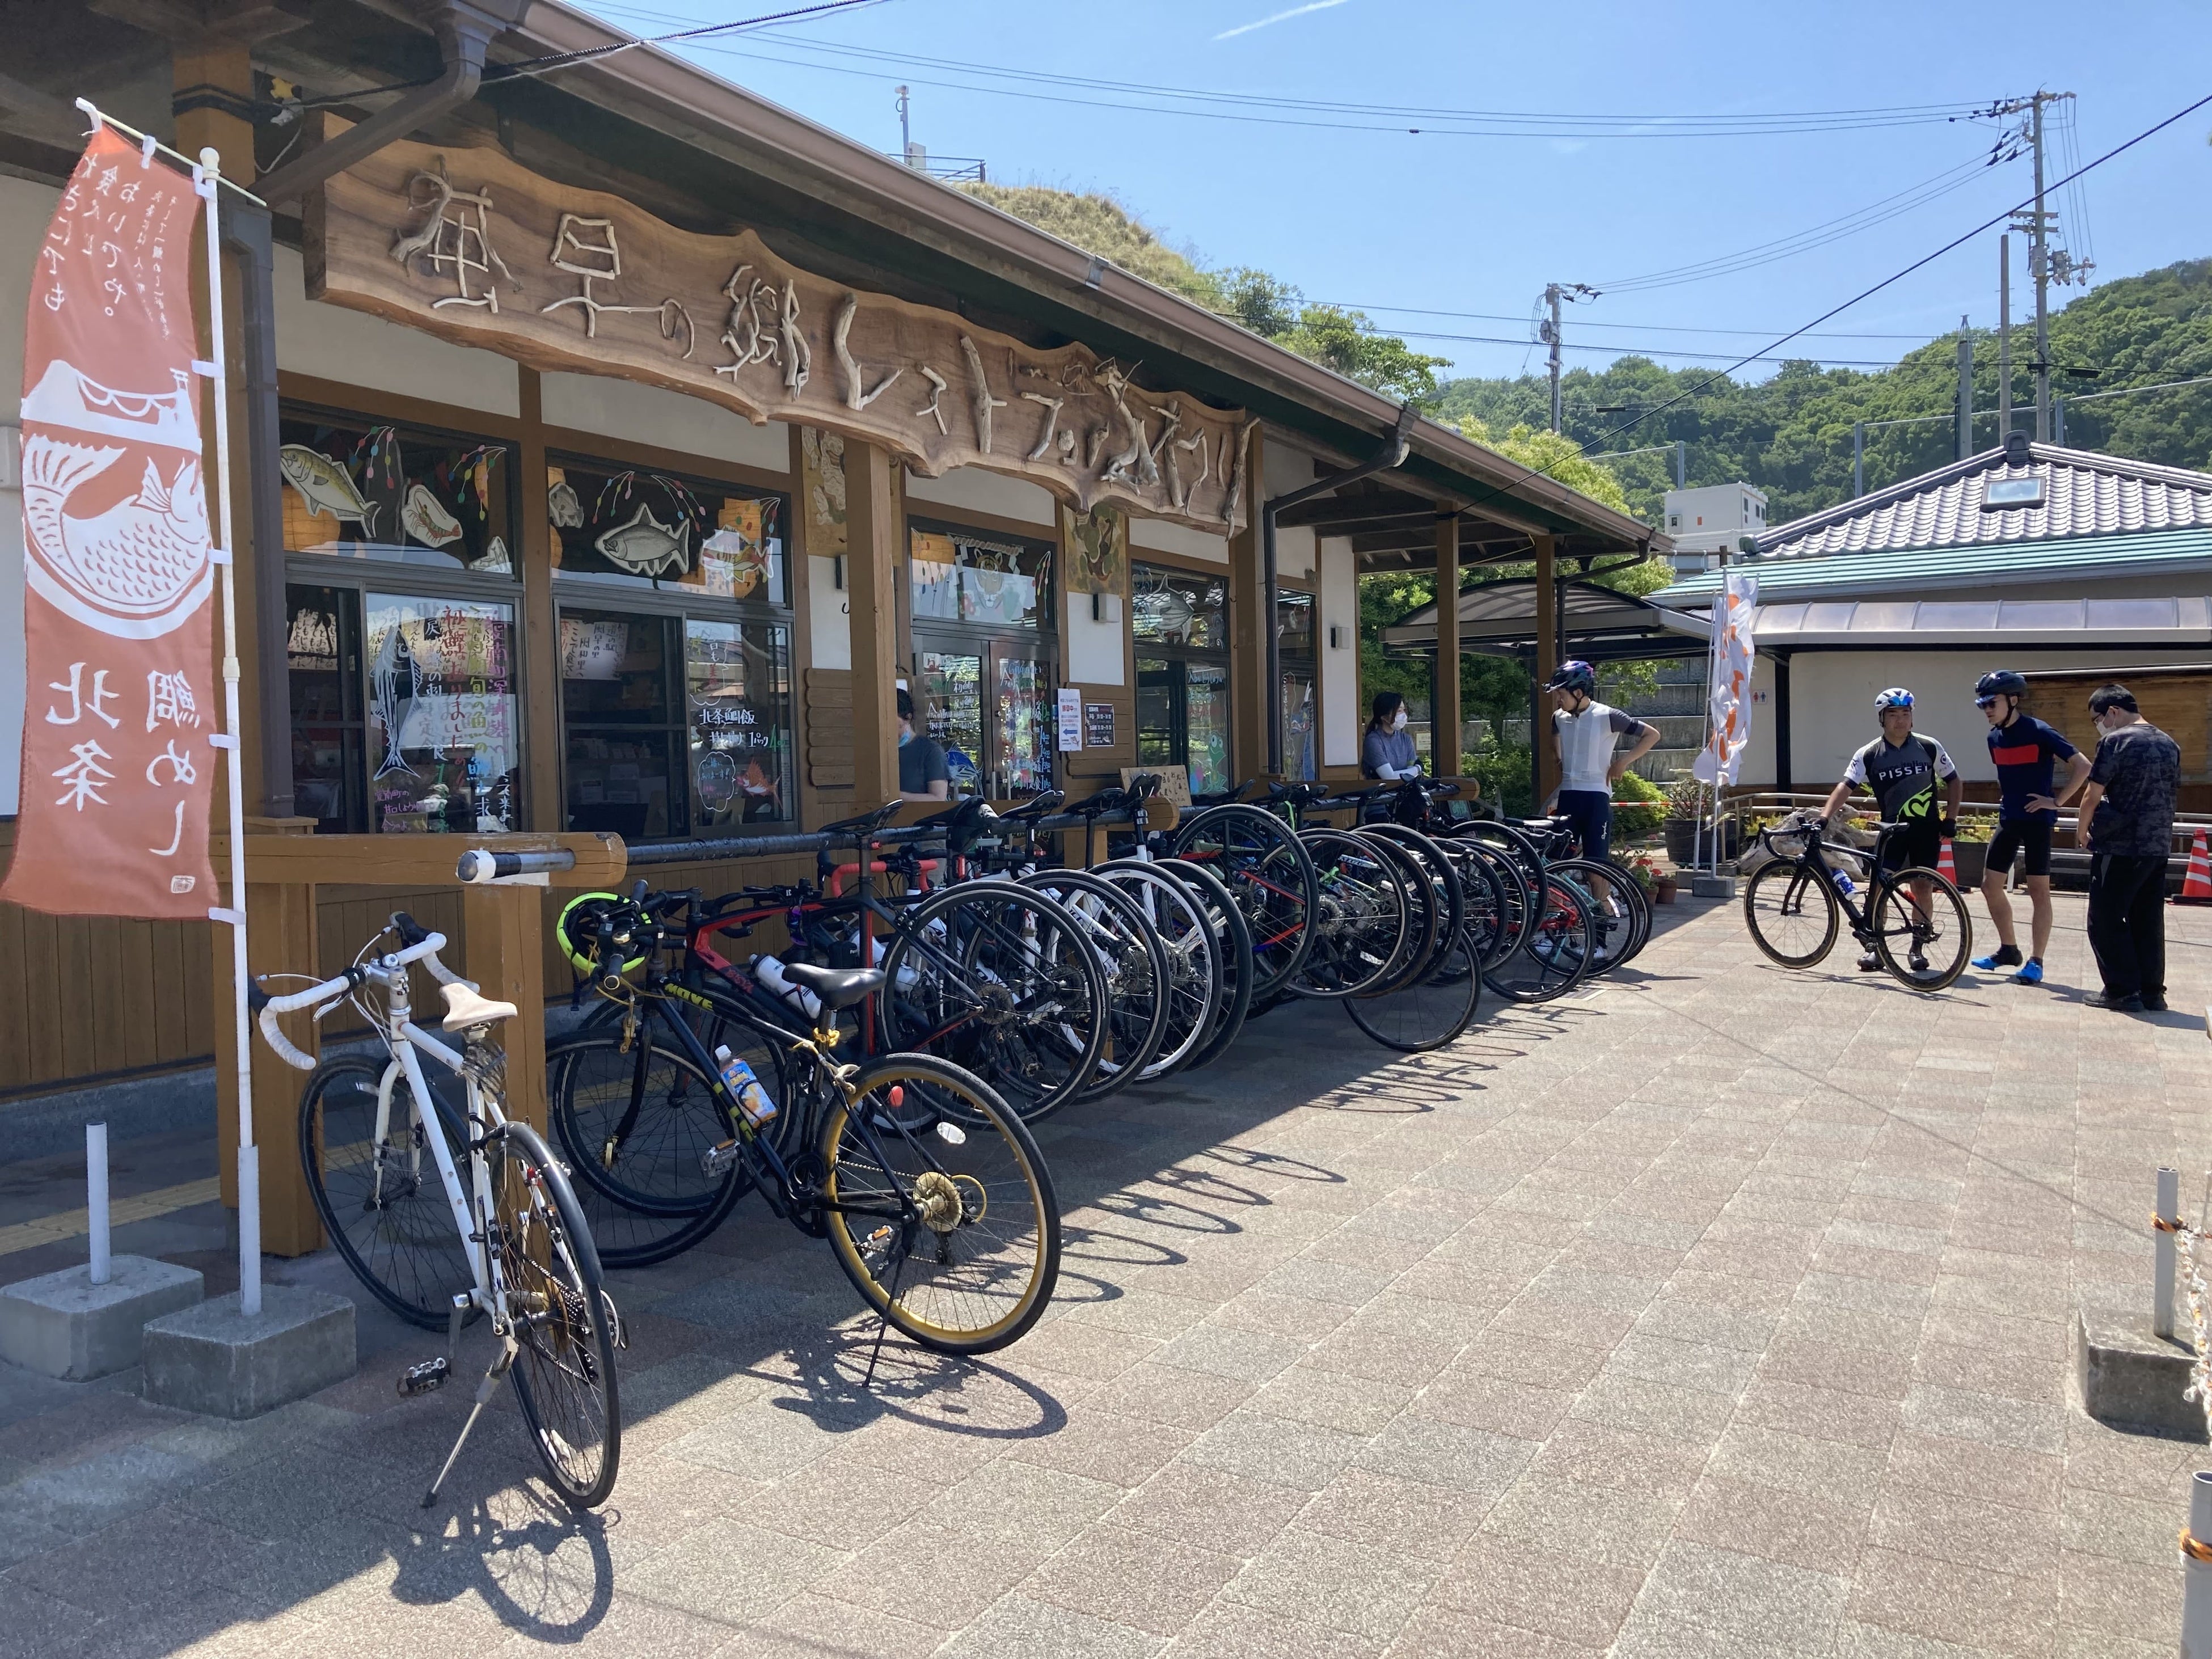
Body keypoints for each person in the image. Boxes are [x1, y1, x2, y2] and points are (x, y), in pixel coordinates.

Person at [1821, 687, 1962, 972]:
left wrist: (1951, 819)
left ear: (1913, 718)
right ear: (1882, 719)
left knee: (1922, 887)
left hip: (1926, 830)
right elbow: (1845, 786)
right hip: (1891, 832)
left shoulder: (1929, 746)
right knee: (1878, 888)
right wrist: (1825, 816)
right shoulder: (1869, 753)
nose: (1900, 720)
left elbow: (1955, 781)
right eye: (1893, 715)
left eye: (1906, 714)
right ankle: (1876, 947)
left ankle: (1917, 947)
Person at [1969, 669, 2091, 985]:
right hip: (2008, 819)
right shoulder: (1992, 737)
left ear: (2013, 700)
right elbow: (2007, 775)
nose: (1987, 710)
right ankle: (2009, 950)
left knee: (2039, 891)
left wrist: (2058, 801)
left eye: (1992, 703)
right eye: (1982, 705)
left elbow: (2083, 766)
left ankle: (2037, 961)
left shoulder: (2040, 731)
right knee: (1989, 885)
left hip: (2037, 822)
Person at [2066, 683, 2179, 1012]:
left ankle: (2121, 990)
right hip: (2157, 845)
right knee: (2147, 919)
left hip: (2120, 845)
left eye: (2097, 719)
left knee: (2104, 918)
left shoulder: (2116, 740)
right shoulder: (2169, 743)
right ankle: (2151, 992)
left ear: (2113, 712)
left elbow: (2093, 792)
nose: (2098, 725)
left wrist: (2082, 829)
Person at [1546, 660, 1658, 871]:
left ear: (1578, 692)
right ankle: (1556, 904)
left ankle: (1603, 904)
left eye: (1561, 694)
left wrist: (1623, 762)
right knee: (1555, 863)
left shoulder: (1608, 715)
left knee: (1596, 868)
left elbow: (1652, 735)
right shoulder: (1558, 718)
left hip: (1596, 798)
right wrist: (1560, 760)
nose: (1558, 699)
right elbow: (1554, 737)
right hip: (1568, 795)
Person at [896, 687, 949, 803]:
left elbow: (938, 798)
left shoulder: (930, 751)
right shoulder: (878, 751)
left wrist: (897, 797)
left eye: (892, 720)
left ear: (908, 718)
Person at [1362, 691, 1422, 781]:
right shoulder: (1373, 741)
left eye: (1403, 710)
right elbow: (1389, 777)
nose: (1403, 715)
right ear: (1384, 717)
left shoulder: (1406, 739)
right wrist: (1418, 769)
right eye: (1399, 711)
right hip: (1382, 792)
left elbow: (1411, 770)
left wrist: (1413, 770)